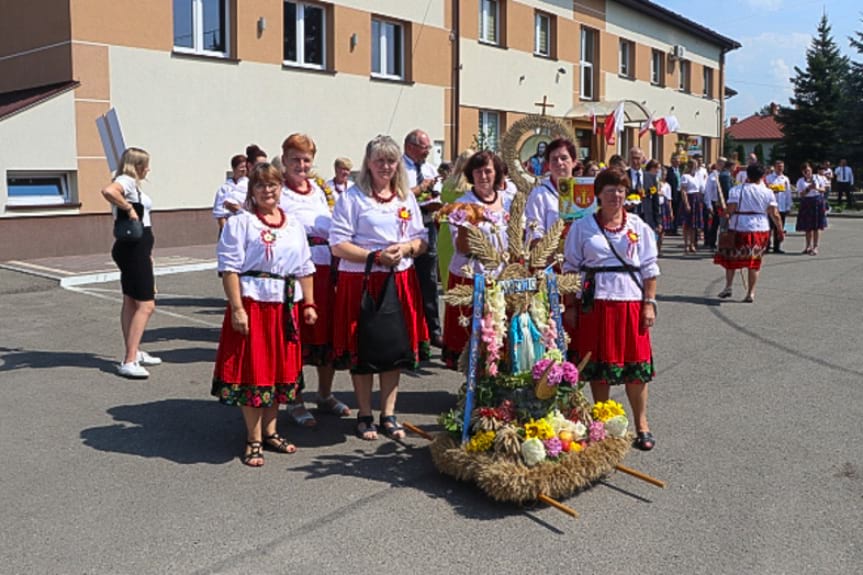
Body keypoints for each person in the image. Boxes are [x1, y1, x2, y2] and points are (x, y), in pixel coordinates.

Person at [211, 163, 317, 466]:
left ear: (280, 187)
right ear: (252, 192)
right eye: (260, 186)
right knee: (255, 372)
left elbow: (305, 267)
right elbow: (229, 268)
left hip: (285, 306)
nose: (267, 191)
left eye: (272, 185)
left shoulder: (293, 224)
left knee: (279, 372)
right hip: (254, 304)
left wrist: (309, 304)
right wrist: (237, 308)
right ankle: (253, 438)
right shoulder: (241, 223)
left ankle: (271, 432)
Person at [330, 135, 429, 440]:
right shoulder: (353, 198)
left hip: (399, 278)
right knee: (364, 349)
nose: (386, 166)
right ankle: (364, 413)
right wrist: (374, 256)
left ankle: (389, 413)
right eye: (379, 161)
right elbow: (338, 245)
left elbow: (421, 239)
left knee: (393, 347)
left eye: (391, 160)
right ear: (368, 164)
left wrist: (407, 249)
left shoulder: (404, 197)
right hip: (362, 279)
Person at [562, 167, 660, 451]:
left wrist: (649, 303)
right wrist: (570, 305)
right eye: (609, 191)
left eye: (620, 190)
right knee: (599, 366)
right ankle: (601, 421)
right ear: (598, 195)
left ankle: (642, 424)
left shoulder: (639, 226)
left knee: (636, 366)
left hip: (630, 303)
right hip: (595, 303)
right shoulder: (582, 227)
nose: (616, 196)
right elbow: (570, 267)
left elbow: (649, 268)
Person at [278, 134, 348, 427]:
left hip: (325, 268)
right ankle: (295, 400)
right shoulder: (278, 191)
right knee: (298, 336)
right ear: (284, 160)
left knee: (326, 334)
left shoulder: (319, 189)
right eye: (295, 159)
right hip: (294, 272)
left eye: (306, 159)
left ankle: (325, 394)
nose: (301, 165)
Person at [441, 151, 509, 369]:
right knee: (473, 336)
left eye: (488, 170)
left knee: (499, 335)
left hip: (501, 276)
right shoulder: (462, 204)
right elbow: (460, 247)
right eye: (478, 171)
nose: (483, 176)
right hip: (470, 276)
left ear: (496, 173)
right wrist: (465, 226)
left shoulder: (508, 201)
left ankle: (494, 387)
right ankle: (472, 392)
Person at [100, 147, 161, 379]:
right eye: (145, 164)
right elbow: (108, 191)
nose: (148, 169)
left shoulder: (129, 183)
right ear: (137, 166)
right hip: (133, 248)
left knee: (131, 302)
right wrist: (129, 209)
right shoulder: (125, 181)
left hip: (134, 248)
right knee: (146, 305)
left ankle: (133, 351)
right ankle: (129, 360)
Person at [714, 163, 783, 302]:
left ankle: (728, 286)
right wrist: (780, 230)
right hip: (760, 228)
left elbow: (731, 208)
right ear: (762, 176)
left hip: (739, 226)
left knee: (731, 258)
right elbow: (774, 213)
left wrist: (724, 212)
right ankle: (750, 293)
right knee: (754, 261)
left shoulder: (736, 190)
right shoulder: (767, 192)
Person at [403, 129, 443, 348]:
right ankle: (409, 331)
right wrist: (420, 189)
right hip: (405, 227)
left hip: (427, 223)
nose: (427, 152)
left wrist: (435, 195)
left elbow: (436, 192)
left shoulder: (429, 168)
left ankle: (433, 330)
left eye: (428, 148)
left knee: (428, 278)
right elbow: (399, 195)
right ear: (410, 147)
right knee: (407, 279)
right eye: (424, 148)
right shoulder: (399, 167)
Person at [524, 138, 577, 249]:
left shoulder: (585, 190)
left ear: (574, 162)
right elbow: (534, 231)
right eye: (554, 159)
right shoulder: (540, 194)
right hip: (552, 259)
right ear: (548, 165)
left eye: (564, 158)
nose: (559, 163)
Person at [795, 162, 828, 255]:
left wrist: (816, 188)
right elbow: (800, 194)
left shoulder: (818, 178)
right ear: (802, 172)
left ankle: (815, 246)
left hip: (817, 201)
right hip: (806, 202)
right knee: (808, 227)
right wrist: (808, 189)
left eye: (809, 170)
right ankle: (808, 246)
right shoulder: (800, 181)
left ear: (811, 170)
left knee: (816, 226)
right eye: (805, 171)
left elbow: (823, 189)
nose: (807, 173)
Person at [212, 154, 248, 232]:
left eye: (245, 167)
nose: (244, 170)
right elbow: (220, 212)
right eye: (241, 167)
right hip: (229, 225)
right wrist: (226, 230)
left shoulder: (250, 185)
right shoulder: (225, 188)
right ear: (234, 168)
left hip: (245, 224)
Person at [765, 160, 791, 253]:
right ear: (775, 167)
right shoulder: (768, 178)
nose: (780, 168)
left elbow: (788, 193)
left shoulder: (785, 179)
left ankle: (777, 247)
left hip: (782, 206)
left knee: (779, 227)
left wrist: (788, 206)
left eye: (782, 166)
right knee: (768, 227)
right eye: (778, 166)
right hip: (770, 207)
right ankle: (767, 246)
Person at [679, 159, 703, 253]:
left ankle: (692, 244)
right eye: (694, 166)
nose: (696, 168)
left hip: (697, 199)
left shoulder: (697, 176)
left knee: (694, 225)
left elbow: (700, 188)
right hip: (690, 198)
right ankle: (686, 244)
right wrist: (686, 204)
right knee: (687, 225)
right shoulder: (685, 176)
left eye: (696, 166)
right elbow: (683, 191)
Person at [702, 158, 727, 251]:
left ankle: (723, 243)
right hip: (715, 202)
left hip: (724, 202)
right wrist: (709, 205)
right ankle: (711, 242)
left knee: (724, 224)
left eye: (723, 163)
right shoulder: (713, 175)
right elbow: (707, 191)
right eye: (720, 163)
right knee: (714, 224)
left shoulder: (726, 175)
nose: (721, 165)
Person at [665, 153, 682, 235]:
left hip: (679, 193)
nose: (678, 162)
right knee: (672, 211)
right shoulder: (669, 171)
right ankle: (670, 228)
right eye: (676, 160)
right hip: (672, 193)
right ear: (672, 161)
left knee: (677, 212)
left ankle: (675, 228)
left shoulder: (680, 170)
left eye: (679, 160)